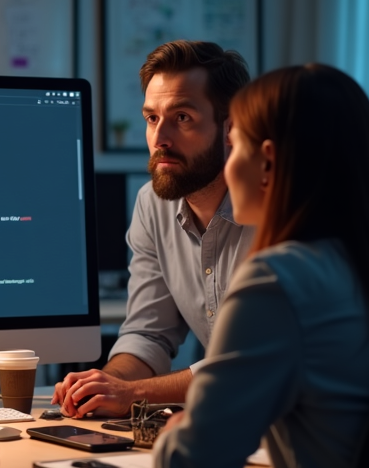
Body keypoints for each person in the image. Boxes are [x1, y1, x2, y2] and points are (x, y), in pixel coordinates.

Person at [152, 64, 369, 468]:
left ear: (266, 161)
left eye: (235, 143)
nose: (227, 163)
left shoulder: (275, 283)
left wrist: (177, 431)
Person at [53, 41, 254, 418]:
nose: (159, 139)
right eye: (151, 118)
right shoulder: (153, 204)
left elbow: (252, 362)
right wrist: (103, 386)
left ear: (231, 128)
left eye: (182, 118)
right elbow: (148, 334)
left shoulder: (276, 208)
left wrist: (132, 393)